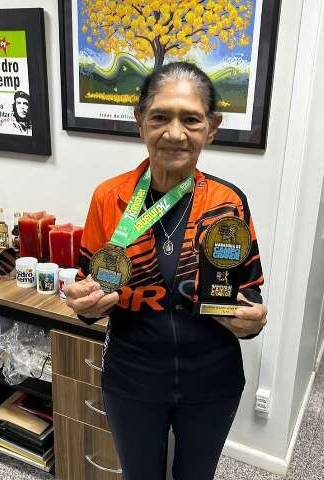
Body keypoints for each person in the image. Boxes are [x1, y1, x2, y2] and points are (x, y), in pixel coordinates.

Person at [65, 62, 268, 480]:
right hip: (131, 376)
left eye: (191, 119)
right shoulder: (109, 198)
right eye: (160, 116)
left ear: (212, 128)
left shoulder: (228, 202)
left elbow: (250, 300)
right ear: (140, 122)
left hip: (213, 379)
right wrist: (84, 305)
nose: (175, 133)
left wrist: (252, 323)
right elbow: (93, 294)